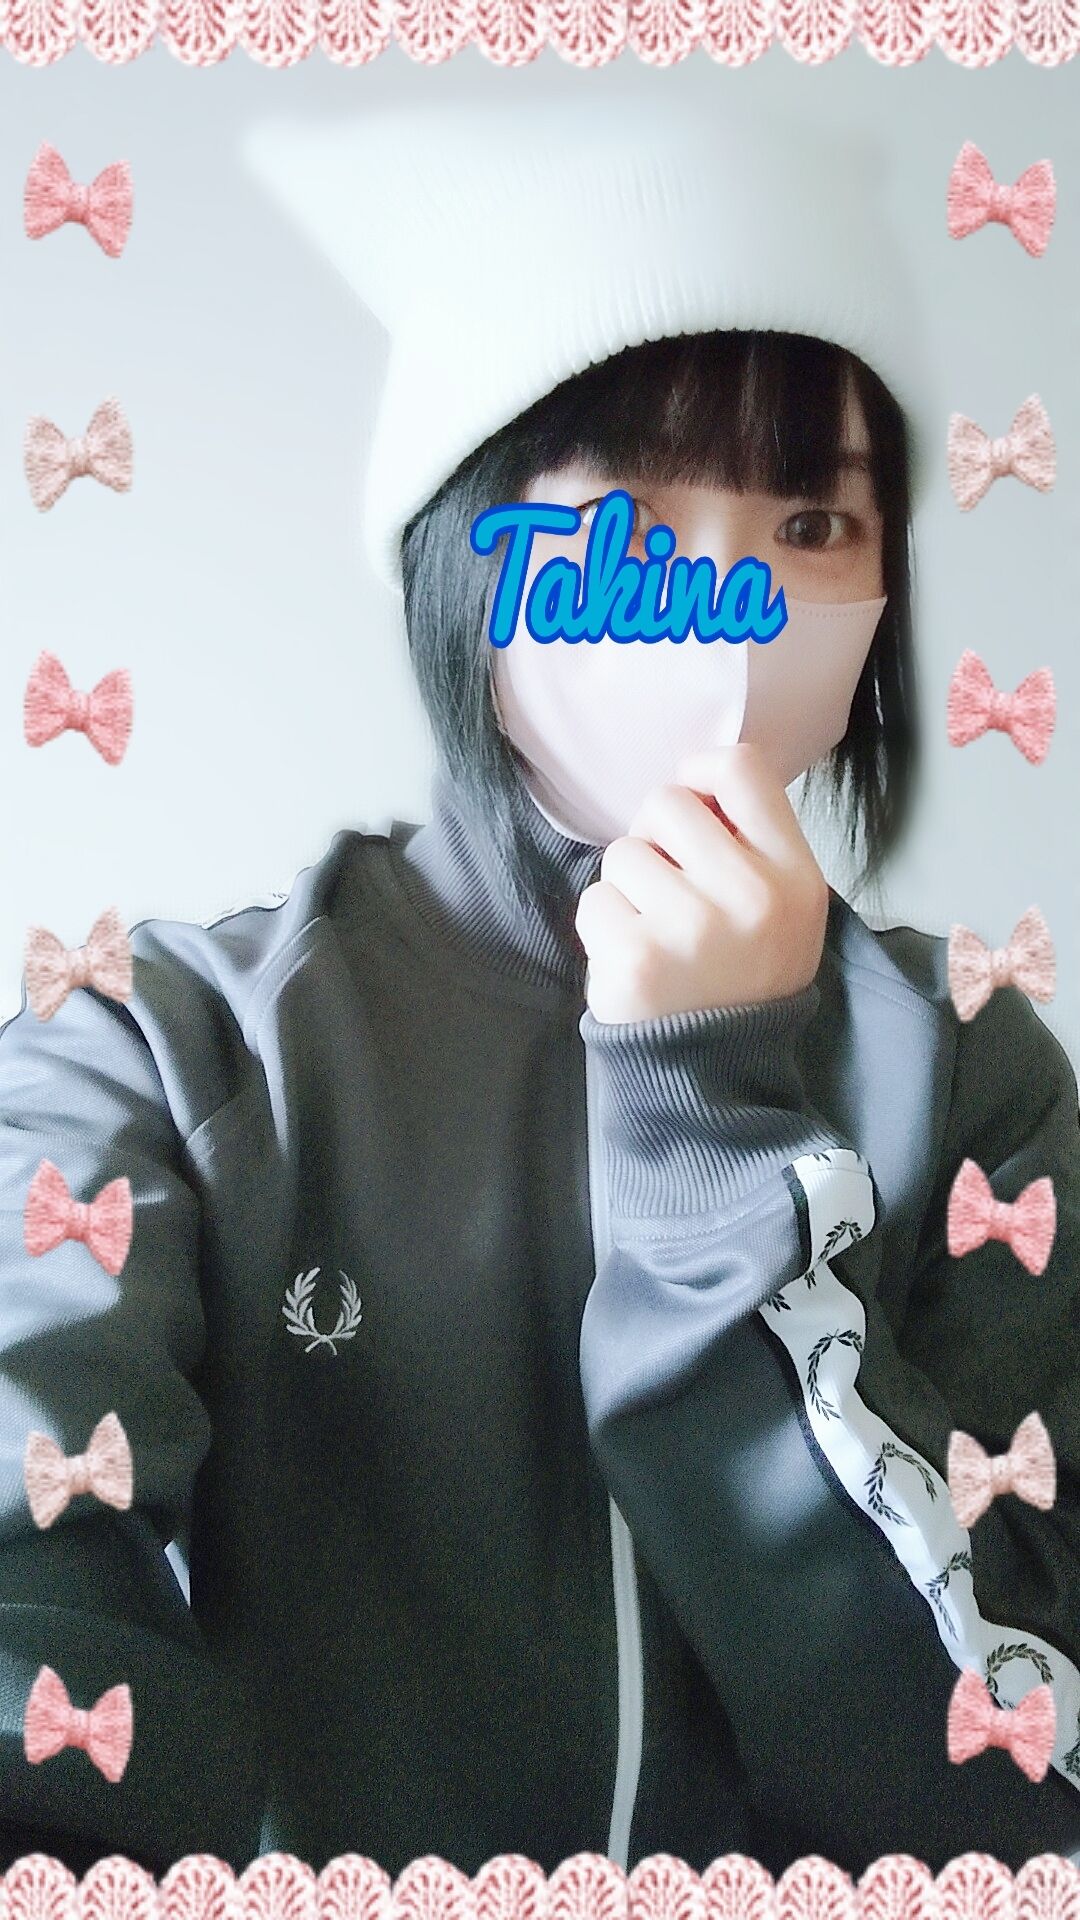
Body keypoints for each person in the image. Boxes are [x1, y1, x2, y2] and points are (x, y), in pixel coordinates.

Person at [1, 97, 1078, 1882]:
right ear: (465, 549)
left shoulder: (975, 1078)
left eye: (815, 518)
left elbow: (1010, 1782)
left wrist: (709, 1119)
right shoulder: (160, 1048)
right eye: (631, 511)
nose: (727, 604)